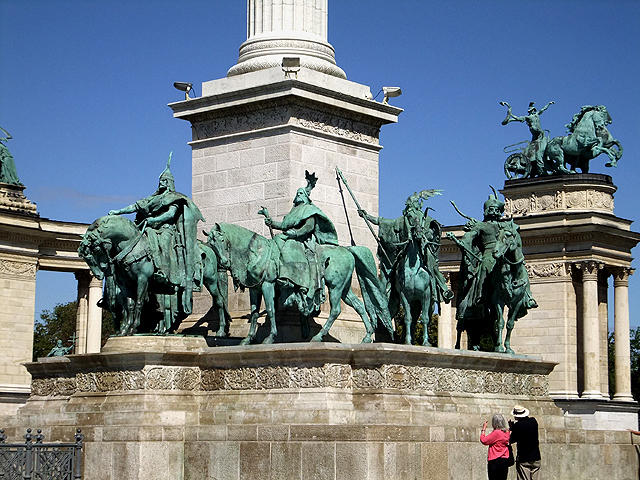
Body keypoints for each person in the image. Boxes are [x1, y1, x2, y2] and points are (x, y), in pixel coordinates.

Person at [109, 153, 204, 314]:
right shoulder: (153, 198)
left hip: (166, 229)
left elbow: (170, 214)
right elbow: (135, 206)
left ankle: (163, 272)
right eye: (160, 180)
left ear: (170, 183)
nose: (161, 183)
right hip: (149, 227)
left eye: (164, 180)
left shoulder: (174, 197)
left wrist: (154, 219)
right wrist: (118, 211)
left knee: (164, 246)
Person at [263, 170, 338, 315]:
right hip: (291, 236)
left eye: (300, 193)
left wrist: (296, 233)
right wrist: (271, 222)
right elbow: (283, 225)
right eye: (297, 193)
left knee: (288, 248)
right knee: (276, 241)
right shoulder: (293, 212)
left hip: (304, 239)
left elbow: (309, 226)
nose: (298, 195)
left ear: (304, 196)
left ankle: (290, 279)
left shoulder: (309, 209)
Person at [358, 190, 453, 304]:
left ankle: (443, 289)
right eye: (409, 205)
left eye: (413, 204)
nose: (410, 207)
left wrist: (425, 236)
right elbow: (383, 222)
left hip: (423, 248)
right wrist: (367, 216)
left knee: (432, 265)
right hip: (406, 249)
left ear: (418, 205)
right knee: (394, 268)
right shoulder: (402, 220)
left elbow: (432, 233)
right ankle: (389, 287)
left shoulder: (425, 219)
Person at [500, 101, 555, 176]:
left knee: (542, 140)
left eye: (532, 110)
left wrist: (549, 104)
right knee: (539, 139)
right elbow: (518, 118)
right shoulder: (528, 117)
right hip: (535, 131)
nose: (531, 111)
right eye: (530, 110)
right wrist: (511, 115)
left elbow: (543, 109)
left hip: (539, 133)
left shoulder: (536, 115)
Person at [509, 405, 541, 480]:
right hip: (536, 457)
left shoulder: (518, 426)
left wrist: (512, 428)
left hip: (524, 458)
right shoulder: (533, 421)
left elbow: (511, 439)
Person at [481, 414, 511, 480]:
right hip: (504, 460)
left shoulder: (497, 433)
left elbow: (484, 440)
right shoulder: (507, 432)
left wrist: (483, 429)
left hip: (495, 460)